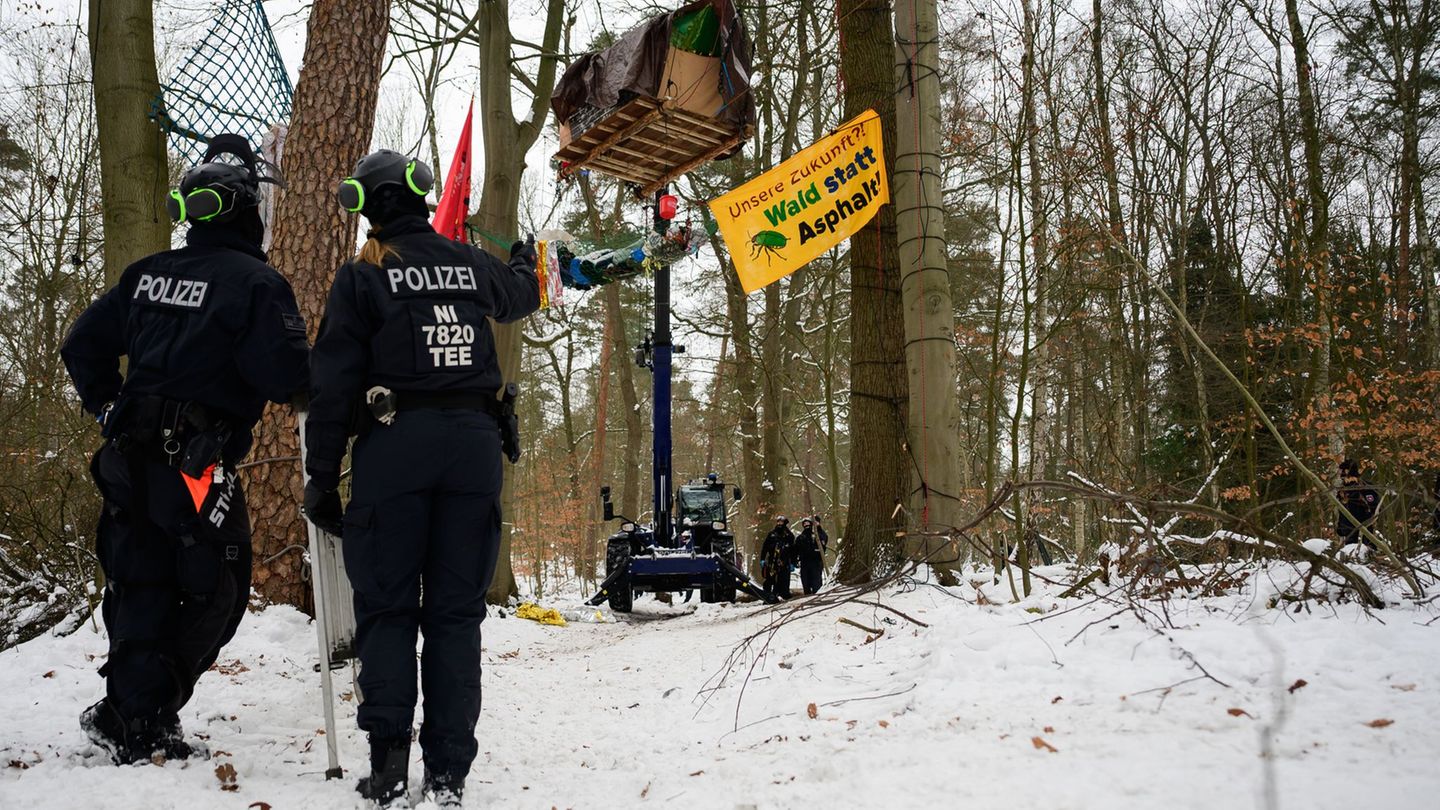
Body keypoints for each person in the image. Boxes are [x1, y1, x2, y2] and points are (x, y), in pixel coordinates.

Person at [60, 135, 308, 764]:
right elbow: (287, 379)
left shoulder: (145, 275)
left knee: (137, 582)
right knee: (219, 587)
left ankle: (134, 715)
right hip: (193, 463)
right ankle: (137, 714)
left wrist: (108, 404)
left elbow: (82, 344)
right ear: (246, 208)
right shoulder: (256, 283)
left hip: (127, 456)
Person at [302, 149, 539, 809]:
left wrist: (321, 478)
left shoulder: (364, 275)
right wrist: (522, 259)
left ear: (369, 206)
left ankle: (386, 772)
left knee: (387, 613)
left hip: (395, 449)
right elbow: (521, 295)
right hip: (473, 450)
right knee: (456, 616)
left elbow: (331, 386)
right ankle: (446, 779)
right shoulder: (468, 263)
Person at [1336, 459, 1379, 547]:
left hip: (1364, 531)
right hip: (1348, 531)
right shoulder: (1342, 490)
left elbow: (1374, 508)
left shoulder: (1365, 488)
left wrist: (1366, 523)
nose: (1344, 479)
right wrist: (1340, 526)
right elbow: (1342, 510)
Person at [760, 515, 794, 599]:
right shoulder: (772, 534)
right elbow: (765, 547)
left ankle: (784, 594)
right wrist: (762, 559)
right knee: (769, 579)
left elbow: (793, 550)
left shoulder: (789, 535)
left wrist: (793, 562)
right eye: (778, 522)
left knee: (784, 579)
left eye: (781, 522)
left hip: (784, 561)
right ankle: (767, 595)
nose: (779, 524)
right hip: (772, 560)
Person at [796, 516, 829, 595]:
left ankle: (817, 594)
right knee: (806, 581)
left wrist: (817, 553)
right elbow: (797, 548)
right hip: (804, 561)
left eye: (808, 523)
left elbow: (823, 545)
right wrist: (796, 559)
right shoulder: (801, 537)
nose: (806, 525)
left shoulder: (818, 535)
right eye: (805, 524)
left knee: (816, 581)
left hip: (816, 561)